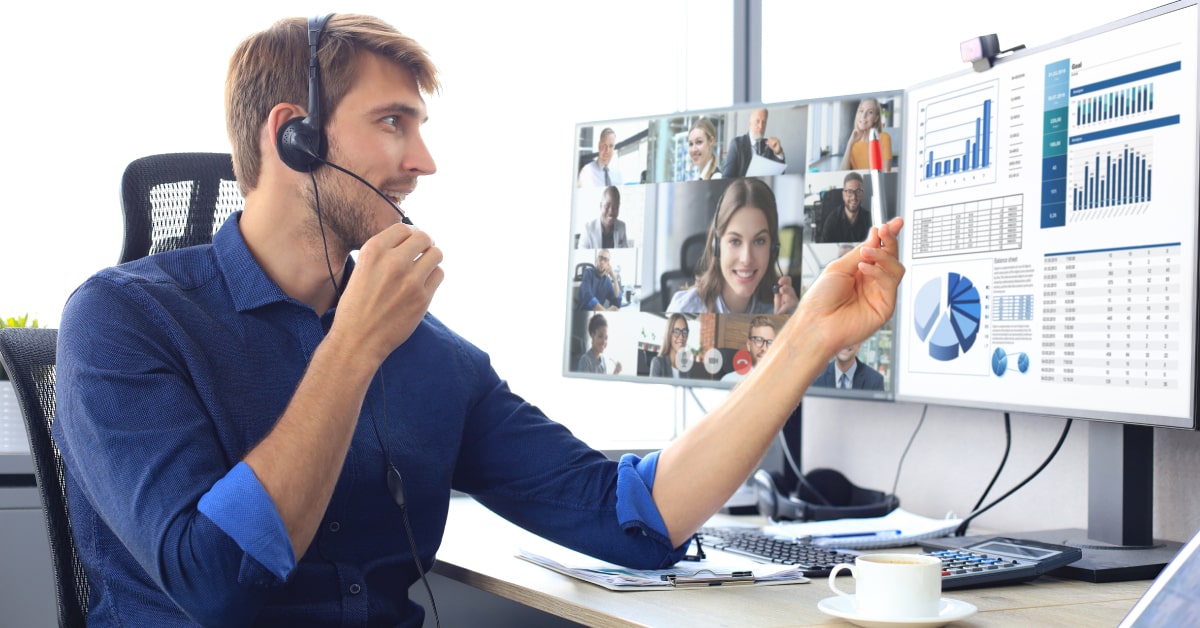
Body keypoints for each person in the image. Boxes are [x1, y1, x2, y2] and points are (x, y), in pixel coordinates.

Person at [53, 13, 906, 626]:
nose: (424, 162)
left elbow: (633, 517)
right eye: (393, 123)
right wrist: (350, 347)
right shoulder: (123, 320)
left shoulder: (433, 360)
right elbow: (216, 584)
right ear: (293, 137)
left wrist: (808, 341)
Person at [668, 178, 799, 314]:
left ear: (773, 248)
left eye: (759, 241)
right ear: (717, 246)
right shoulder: (684, 310)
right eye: (735, 241)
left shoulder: (780, 309)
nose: (746, 259)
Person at [720, 107, 785, 179]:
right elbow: (726, 178)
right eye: (757, 121)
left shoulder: (770, 146)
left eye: (764, 122)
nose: (761, 126)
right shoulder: (737, 144)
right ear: (750, 123)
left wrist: (778, 153)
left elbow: (780, 176)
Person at [839, 97, 893, 172]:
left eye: (870, 112)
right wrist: (850, 144)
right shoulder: (853, 144)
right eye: (861, 111)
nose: (863, 116)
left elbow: (885, 174)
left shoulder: (884, 138)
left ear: (876, 118)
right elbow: (842, 174)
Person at [721, 316, 778, 383]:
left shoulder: (783, 383)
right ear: (749, 345)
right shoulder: (729, 381)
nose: (764, 348)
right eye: (759, 340)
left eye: (770, 342)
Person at [820, 171, 871, 243]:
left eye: (858, 191)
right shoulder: (831, 221)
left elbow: (879, 244)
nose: (854, 197)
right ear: (843, 195)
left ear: (862, 194)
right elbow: (824, 248)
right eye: (850, 191)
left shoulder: (870, 219)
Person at [813, 343, 886, 390]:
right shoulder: (815, 378)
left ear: (859, 345)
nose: (846, 343)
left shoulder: (875, 381)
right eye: (842, 338)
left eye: (852, 337)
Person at [649, 313, 694, 378]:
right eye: (676, 331)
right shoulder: (658, 363)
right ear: (669, 334)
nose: (681, 337)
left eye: (684, 331)